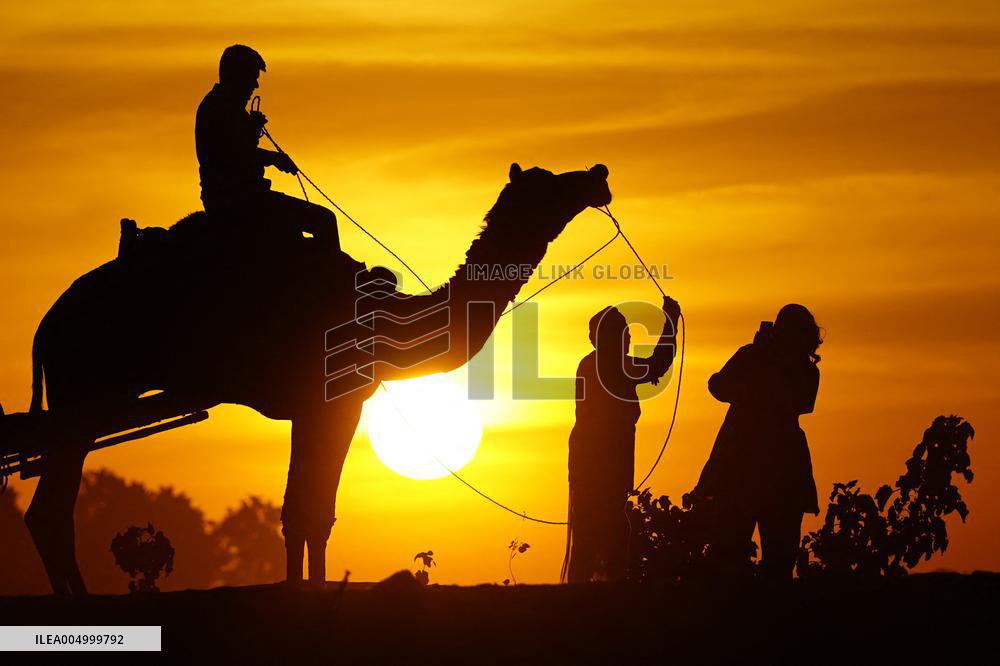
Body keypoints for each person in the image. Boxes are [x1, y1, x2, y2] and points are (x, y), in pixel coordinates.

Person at [694, 304, 822, 580]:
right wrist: (757, 358)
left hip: (754, 464)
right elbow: (718, 386)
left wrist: (760, 358)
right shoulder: (771, 361)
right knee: (741, 551)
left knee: (770, 553)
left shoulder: (796, 369)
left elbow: (794, 402)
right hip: (764, 464)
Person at [563, 295, 682, 583]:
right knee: (604, 526)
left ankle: (592, 589)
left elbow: (653, 366)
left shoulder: (594, 364)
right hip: (602, 459)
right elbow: (657, 365)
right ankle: (604, 589)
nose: (627, 337)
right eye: (623, 332)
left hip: (595, 457)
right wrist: (669, 323)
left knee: (595, 526)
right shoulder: (611, 366)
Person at [195, 44, 340, 250]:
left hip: (239, 199)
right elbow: (231, 156)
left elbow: (237, 149)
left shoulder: (223, 107)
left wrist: (252, 130)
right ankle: (329, 279)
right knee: (324, 219)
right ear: (236, 75)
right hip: (241, 202)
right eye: (252, 78)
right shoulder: (218, 108)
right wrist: (274, 158)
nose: (255, 85)